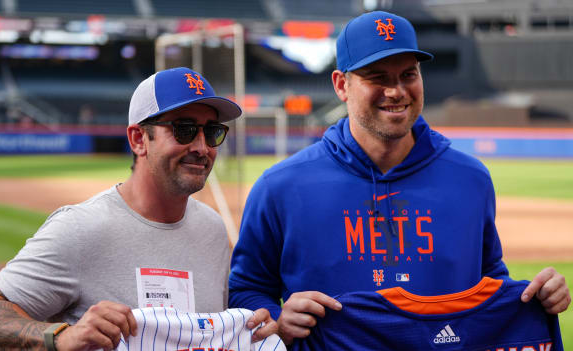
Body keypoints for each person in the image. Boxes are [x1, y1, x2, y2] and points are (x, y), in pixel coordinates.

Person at [228, 11, 570, 345]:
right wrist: (277, 320)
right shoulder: (281, 187)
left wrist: (535, 296)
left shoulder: (470, 178)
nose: (396, 91)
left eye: (408, 75)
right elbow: (245, 288)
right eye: (378, 77)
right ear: (341, 85)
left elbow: (491, 280)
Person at [0, 67, 276, 350]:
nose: (202, 147)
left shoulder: (213, 229)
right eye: (184, 129)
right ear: (139, 139)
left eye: (212, 131)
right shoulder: (81, 227)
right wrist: (61, 336)